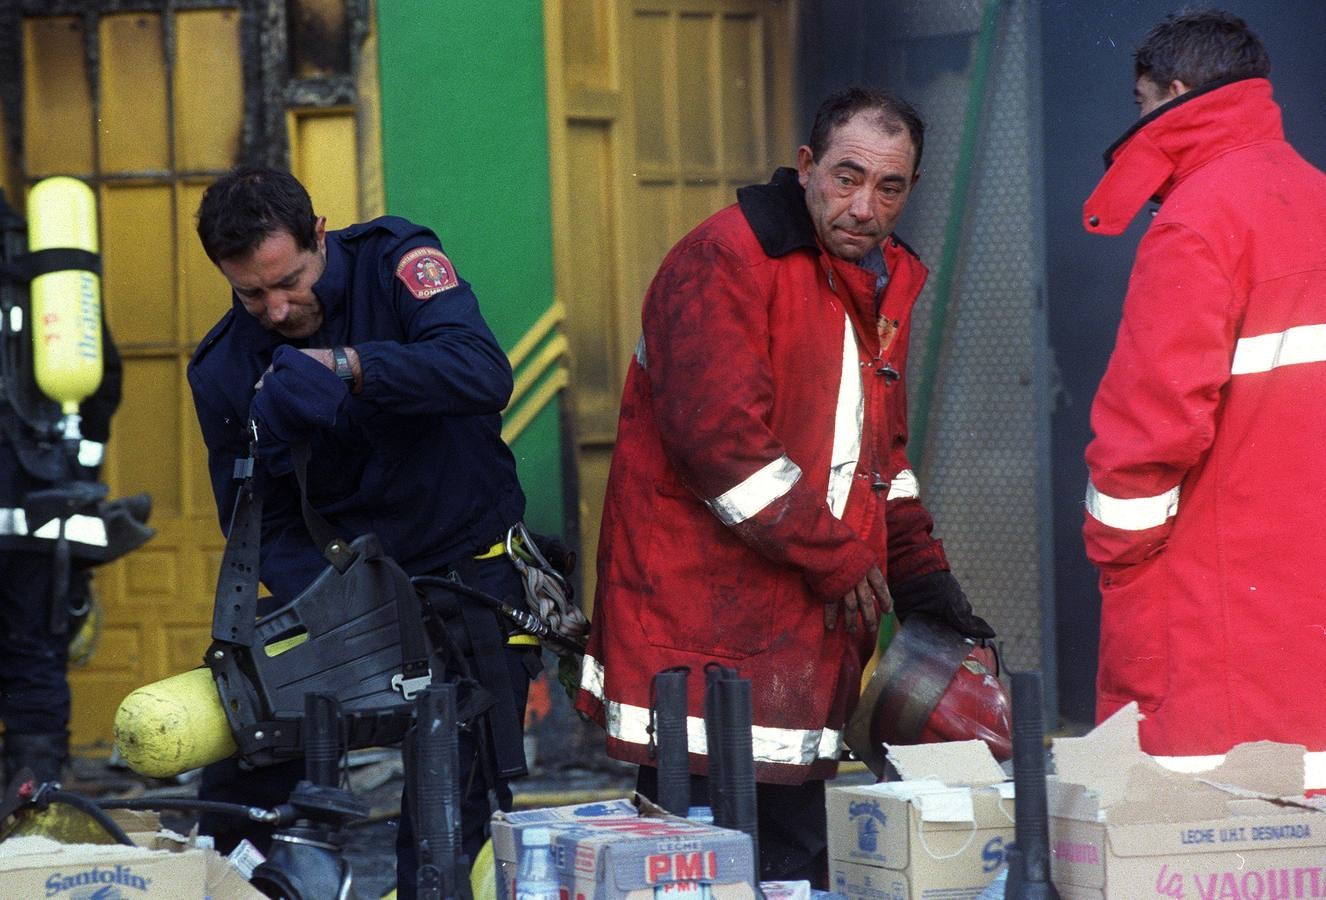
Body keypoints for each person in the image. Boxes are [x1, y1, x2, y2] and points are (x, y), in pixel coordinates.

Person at [575, 87, 994, 886]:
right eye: (846, 177)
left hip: (788, 637)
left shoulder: (874, 283)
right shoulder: (725, 260)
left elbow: (881, 462)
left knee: (792, 862)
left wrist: (922, 575)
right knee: (698, 868)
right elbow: (723, 449)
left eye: (890, 187)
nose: (864, 206)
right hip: (700, 636)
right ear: (806, 168)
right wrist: (840, 562)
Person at [188, 166, 541, 897]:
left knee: (450, 820)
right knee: (242, 793)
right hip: (349, 598)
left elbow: (481, 373)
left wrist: (349, 367)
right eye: (250, 293)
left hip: (468, 576)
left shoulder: (397, 263)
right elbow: (257, 527)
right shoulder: (225, 366)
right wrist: (334, 605)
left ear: (320, 235)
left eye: (289, 281)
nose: (277, 309)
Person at [1082, 10, 1326, 755]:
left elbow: (1147, 429)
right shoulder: (1317, 196)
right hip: (1303, 601)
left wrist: (1119, 559)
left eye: (1141, 102)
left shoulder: (1197, 223)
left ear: (1175, 92)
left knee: (1203, 833)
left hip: (1208, 610)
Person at [0, 325, 122, 788]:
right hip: (43, 514)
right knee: (35, 666)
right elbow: (102, 381)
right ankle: (35, 816)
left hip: (41, 517)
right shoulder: (50, 283)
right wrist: (75, 469)